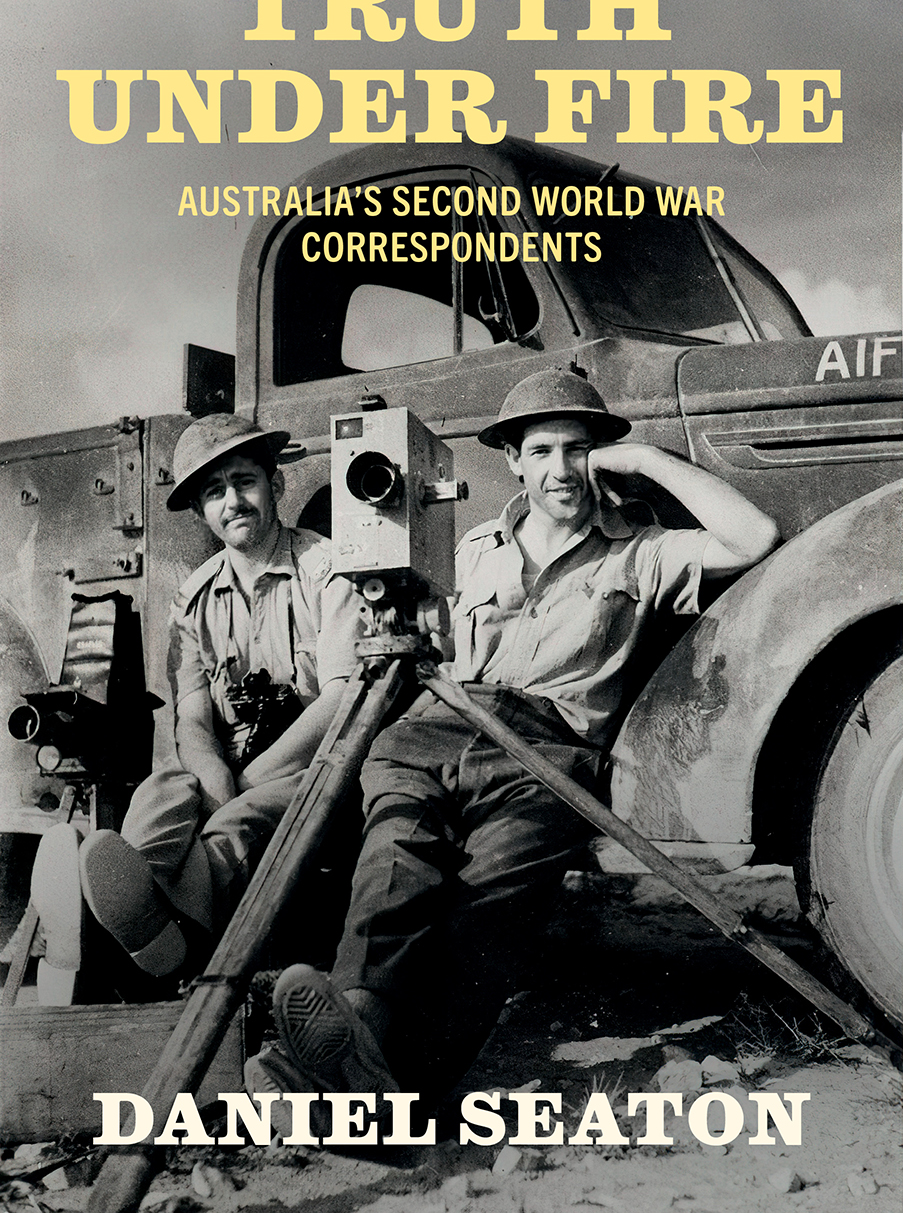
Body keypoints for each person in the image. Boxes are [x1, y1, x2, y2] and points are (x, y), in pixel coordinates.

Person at [250, 368, 781, 1110]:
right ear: (513, 462)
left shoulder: (642, 552)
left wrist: (644, 459)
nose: (561, 469)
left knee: (488, 910)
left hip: (545, 753)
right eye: (541, 451)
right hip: (439, 726)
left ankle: (386, 1082)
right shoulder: (468, 549)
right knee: (393, 868)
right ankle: (357, 1031)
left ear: (601, 455)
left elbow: (755, 537)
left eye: (578, 449)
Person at [33, 413, 364, 998]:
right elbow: (191, 716)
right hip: (232, 764)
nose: (232, 502)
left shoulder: (327, 571)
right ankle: (135, 921)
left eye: (244, 482)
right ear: (200, 512)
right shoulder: (194, 599)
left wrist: (243, 782)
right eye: (214, 492)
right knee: (162, 791)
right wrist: (214, 777)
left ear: (275, 485)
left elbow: (339, 699)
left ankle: (146, 941)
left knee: (235, 823)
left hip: (312, 764)